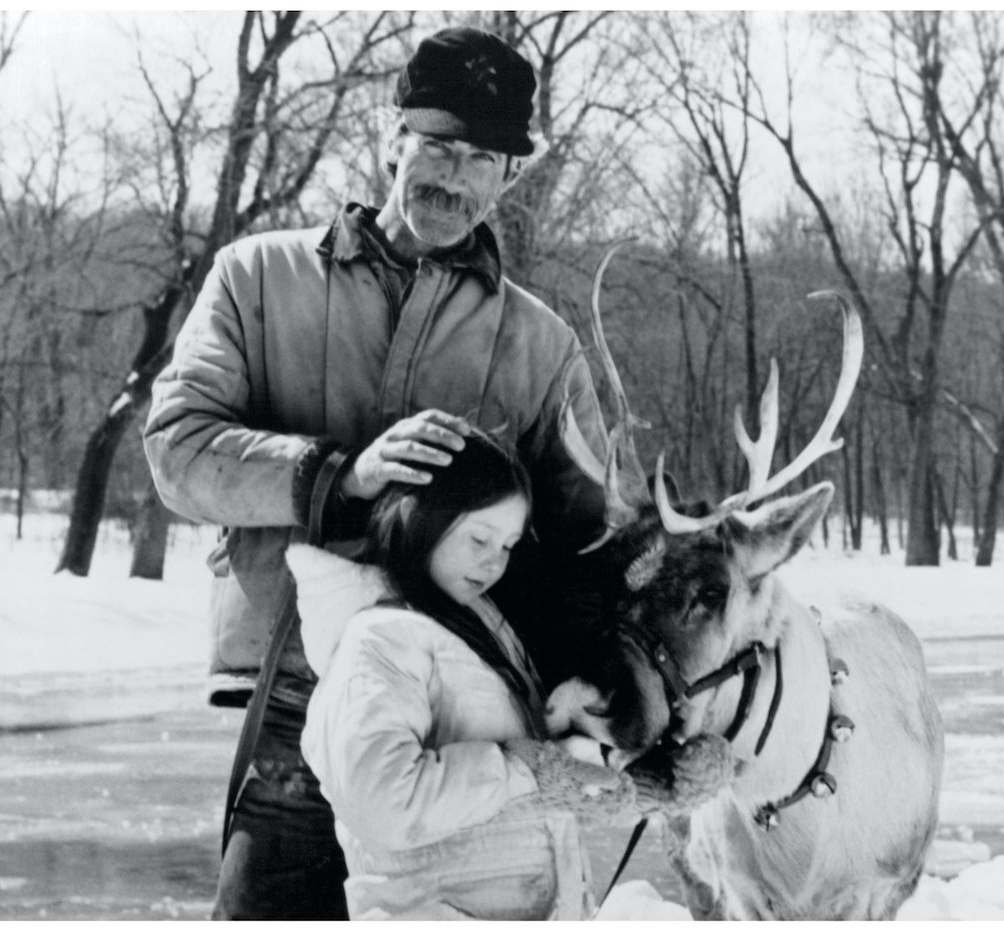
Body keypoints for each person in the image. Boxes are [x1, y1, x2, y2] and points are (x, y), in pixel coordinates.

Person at [143, 26, 613, 919]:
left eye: (483, 159)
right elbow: (176, 450)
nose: (455, 177)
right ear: (393, 136)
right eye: (438, 146)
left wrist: (590, 678)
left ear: (509, 176)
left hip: (460, 706)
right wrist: (335, 475)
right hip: (292, 689)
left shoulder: (543, 347)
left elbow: (588, 544)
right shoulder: (256, 276)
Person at [288, 430, 635, 920]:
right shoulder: (379, 642)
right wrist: (522, 769)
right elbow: (382, 805)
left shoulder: (483, 629)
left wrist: (645, 783)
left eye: (509, 545)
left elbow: (532, 780)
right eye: (480, 538)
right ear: (419, 515)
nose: (495, 561)